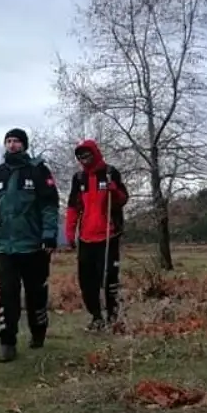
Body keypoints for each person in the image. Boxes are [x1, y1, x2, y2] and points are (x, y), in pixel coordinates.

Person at [0, 128, 60, 362]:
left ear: (24, 145)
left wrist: (49, 235)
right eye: (9, 141)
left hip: (34, 246)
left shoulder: (37, 170)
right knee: (8, 294)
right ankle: (7, 342)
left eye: (16, 141)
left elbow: (49, 205)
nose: (12, 145)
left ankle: (38, 332)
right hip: (6, 246)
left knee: (36, 293)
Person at [64, 139, 129, 330]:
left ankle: (113, 317)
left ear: (95, 153)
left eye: (87, 154)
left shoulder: (110, 173)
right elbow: (73, 207)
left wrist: (114, 191)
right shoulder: (78, 178)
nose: (84, 159)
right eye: (80, 156)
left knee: (109, 279)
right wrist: (70, 231)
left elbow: (123, 200)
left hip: (108, 236)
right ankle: (96, 317)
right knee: (87, 281)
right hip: (86, 238)